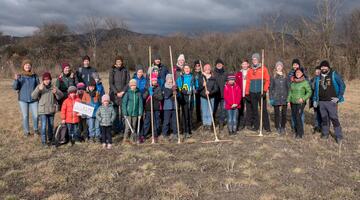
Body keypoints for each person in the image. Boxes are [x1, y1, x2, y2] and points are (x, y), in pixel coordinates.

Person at [313, 60, 346, 144]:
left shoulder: (334, 74)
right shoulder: (318, 77)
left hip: (331, 102)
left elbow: (342, 85)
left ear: (328, 67)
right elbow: (316, 89)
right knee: (324, 119)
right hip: (321, 102)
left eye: (325, 66)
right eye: (322, 67)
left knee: (334, 119)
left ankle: (339, 136)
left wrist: (338, 97)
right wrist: (315, 100)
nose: (323, 68)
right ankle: (325, 133)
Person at [31, 72, 63, 146]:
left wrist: (56, 92)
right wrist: (38, 89)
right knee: (43, 126)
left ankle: (51, 139)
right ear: (43, 80)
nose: (47, 81)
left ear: (50, 80)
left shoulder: (53, 87)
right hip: (43, 110)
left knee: (51, 126)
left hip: (51, 110)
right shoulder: (40, 86)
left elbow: (60, 96)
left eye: (48, 79)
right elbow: (33, 96)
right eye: (45, 79)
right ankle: (44, 141)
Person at [13, 59, 40, 136]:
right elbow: (15, 87)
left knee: (36, 115)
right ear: (23, 66)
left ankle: (36, 130)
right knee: (25, 116)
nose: (27, 66)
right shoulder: (20, 76)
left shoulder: (35, 75)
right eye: (26, 65)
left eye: (29, 65)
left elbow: (38, 86)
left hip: (33, 99)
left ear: (31, 66)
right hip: (23, 99)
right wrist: (16, 80)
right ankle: (26, 132)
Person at [245, 53, 271, 132]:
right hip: (252, 93)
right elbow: (248, 82)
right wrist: (247, 93)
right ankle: (256, 126)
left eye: (256, 59)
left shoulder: (263, 69)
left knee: (264, 110)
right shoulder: (250, 70)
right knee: (254, 110)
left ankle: (267, 127)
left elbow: (267, 80)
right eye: (253, 59)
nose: (254, 60)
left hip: (261, 92)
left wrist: (265, 90)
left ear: (258, 60)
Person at [287, 68, 312, 139]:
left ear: (302, 74)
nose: (298, 73)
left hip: (300, 103)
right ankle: (296, 130)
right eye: (296, 72)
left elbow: (309, 92)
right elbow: (290, 92)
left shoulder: (305, 82)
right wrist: (288, 100)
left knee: (298, 117)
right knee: (294, 116)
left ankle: (300, 133)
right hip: (293, 102)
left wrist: (303, 98)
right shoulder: (293, 82)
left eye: (299, 72)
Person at [109, 56, 130, 133]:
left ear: (122, 62)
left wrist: (123, 91)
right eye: (117, 61)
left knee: (124, 113)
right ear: (115, 62)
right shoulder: (112, 70)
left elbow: (128, 82)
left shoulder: (125, 70)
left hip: (124, 94)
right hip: (114, 95)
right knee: (115, 113)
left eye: (120, 61)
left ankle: (124, 129)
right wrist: (116, 92)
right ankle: (115, 129)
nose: (119, 63)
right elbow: (111, 83)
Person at [269, 61, 289, 135]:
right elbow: (271, 88)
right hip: (276, 97)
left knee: (284, 113)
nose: (279, 67)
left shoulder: (286, 76)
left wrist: (288, 98)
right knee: (277, 113)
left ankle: (283, 126)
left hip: (284, 97)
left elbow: (288, 87)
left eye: (280, 66)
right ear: (276, 67)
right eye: (278, 66)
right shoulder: (273, 76)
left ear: (282, 67)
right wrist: (271, 98)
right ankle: (277, 126)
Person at [176, 64, 196, 138]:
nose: (187, 70)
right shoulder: (181, 78)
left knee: (190, 114)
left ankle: (190, 129)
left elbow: (196, 86)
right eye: (185, 68)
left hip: (191, 99)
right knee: (185, 114)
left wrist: (195, 90)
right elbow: (179, 88)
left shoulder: (192, 77)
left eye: (188, 68)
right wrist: (186, 92)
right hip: (184, 98)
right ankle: (185, 130)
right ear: (183, 70)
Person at [197, 64, 219, 131]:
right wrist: (203, 85)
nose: (207, 70)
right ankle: (205, 124)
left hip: (211, 97)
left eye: (208, 69)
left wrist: (210, 92)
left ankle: (209, 124)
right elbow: (198, 89)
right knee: (204, 111)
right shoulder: (201, 77)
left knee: (210, 111)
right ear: (204, 69)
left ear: (210, 69)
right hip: (203, 97)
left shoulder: (213, 78)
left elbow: (216, 89)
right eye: (206, 68)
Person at [143, 73, 163, 141]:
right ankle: (144, 135)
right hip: (148, 107)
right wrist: (149, 91)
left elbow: (160, 97)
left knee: (156, 122)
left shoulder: (158, 88)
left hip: (156, 107)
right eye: (153, 80)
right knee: (147, 121)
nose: (154, 82)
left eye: (155, 80)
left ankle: (155, 135)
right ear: (150, 81)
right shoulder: (147, 87)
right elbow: (144, 97)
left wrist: (153, 94)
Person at [122, 79, 143, 144]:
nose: (133, 86)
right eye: (132, 85)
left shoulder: (138, 93)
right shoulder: (127, 93)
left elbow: (140, 103)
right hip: (128, 113)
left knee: (134, 126)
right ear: (130, 86)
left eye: (134, 85)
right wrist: (125, 112)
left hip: (135, 113)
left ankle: (132, 139)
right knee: (128, 127)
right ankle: (125, 139)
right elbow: (124, 103)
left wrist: (140, 112)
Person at [213, 58, 228, 131]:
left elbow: (228, 82)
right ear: (216, 65)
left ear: (222, 65)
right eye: (217, 64)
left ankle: (221, 123)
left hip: (223, 95)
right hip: (215, 95)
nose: (219, 65)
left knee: (223, 110)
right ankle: (212, 123)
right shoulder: (213, 73)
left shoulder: (225, 73)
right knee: (214, 109)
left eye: (220, 64)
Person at [162, 74, 178, 142]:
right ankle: (165, 133)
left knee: (174, 121)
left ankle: (175, 133)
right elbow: (166, 95)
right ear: (166, 80)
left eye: (171, 79)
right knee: (166, 121)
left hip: (174, 106)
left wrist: (176, 93)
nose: (170, 80)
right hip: (167, 107)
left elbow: (179, 97)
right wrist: (172, 90)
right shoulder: (164, 87)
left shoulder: (175, 87)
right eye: (168, 79)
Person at [236, 59, 251, 130]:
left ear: (248, 64)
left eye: (246, 64)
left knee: (249, 109)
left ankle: (249, 124)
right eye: (243, 64)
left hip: (248, 93)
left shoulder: (251, 72)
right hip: (240, 94)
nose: (244, 65)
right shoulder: (238, 73)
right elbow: (236, 84)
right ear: (241, 65)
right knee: (240, 109)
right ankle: (241, 124)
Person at [310, 66, 322, 133]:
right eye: (316, 70)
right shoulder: (312, 79)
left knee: (321, 113)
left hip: (321, 99)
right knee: (315, 113)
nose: (317, 72)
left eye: (318, 70)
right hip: (314, 99)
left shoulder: (322, 79)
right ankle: (316, 126)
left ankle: (321, 126)